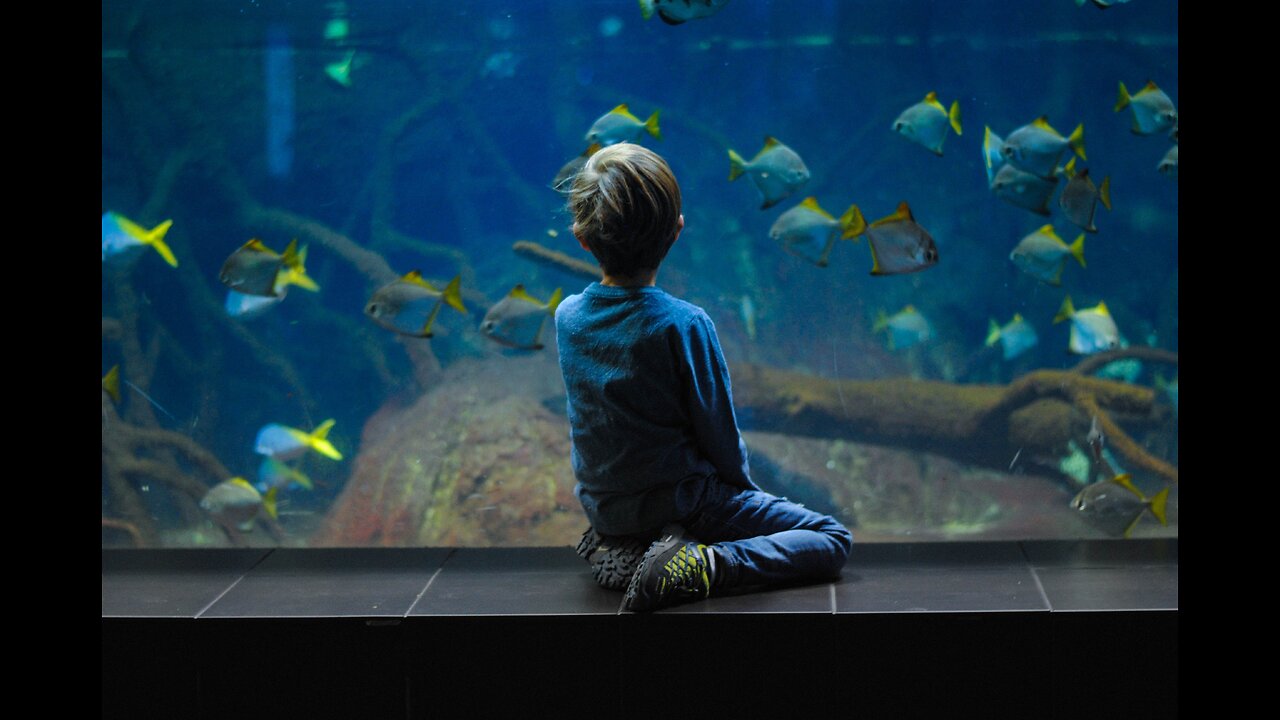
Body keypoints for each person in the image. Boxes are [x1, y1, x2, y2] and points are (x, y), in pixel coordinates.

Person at [556, 143, 853, 612]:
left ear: (582, 238)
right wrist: (743, 492)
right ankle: (705, 564)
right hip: (683, 502)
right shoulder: (684, 323)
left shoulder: (567, 316)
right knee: (829, 537)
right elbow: (717, 431)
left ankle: (628, 547)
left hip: (606, 509)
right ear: (676, 232)